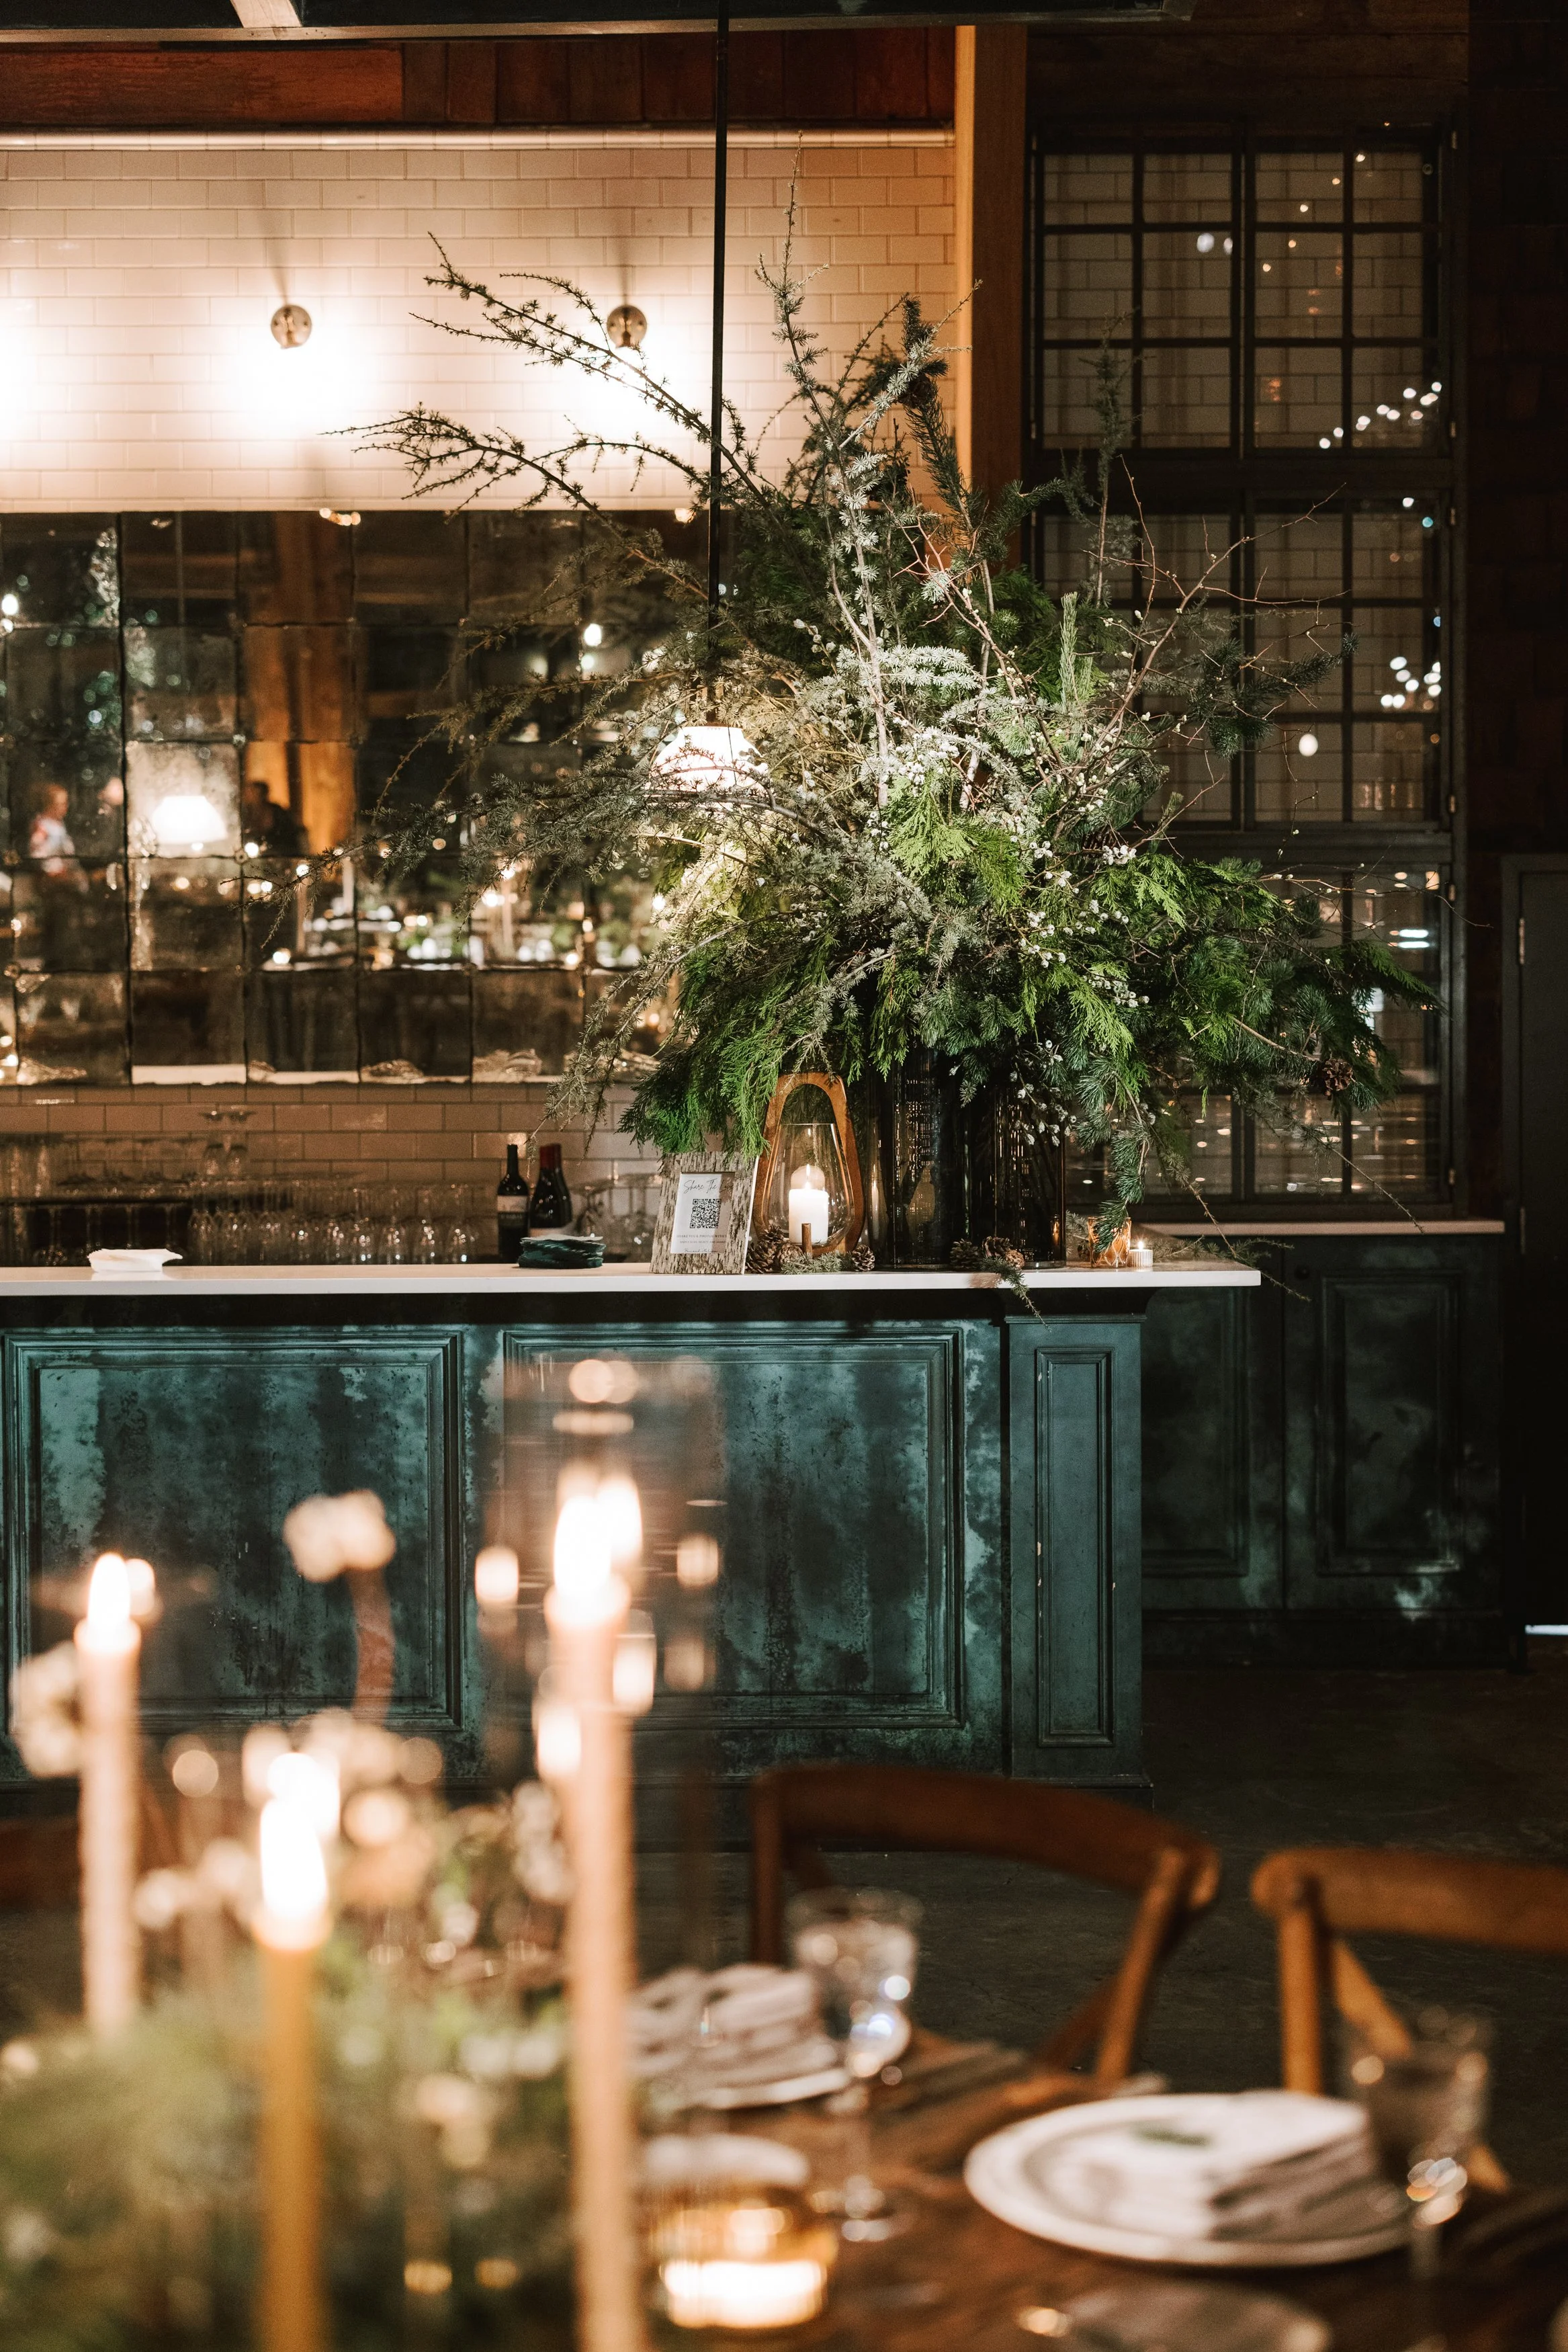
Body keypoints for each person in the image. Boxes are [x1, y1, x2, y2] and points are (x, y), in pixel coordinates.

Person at [240, 775, 308, 859]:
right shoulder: (245, 813)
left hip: (278, 854)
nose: (254, 796)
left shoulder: (278, 812)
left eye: (257, 793)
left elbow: (290, 832)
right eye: (252, 793)